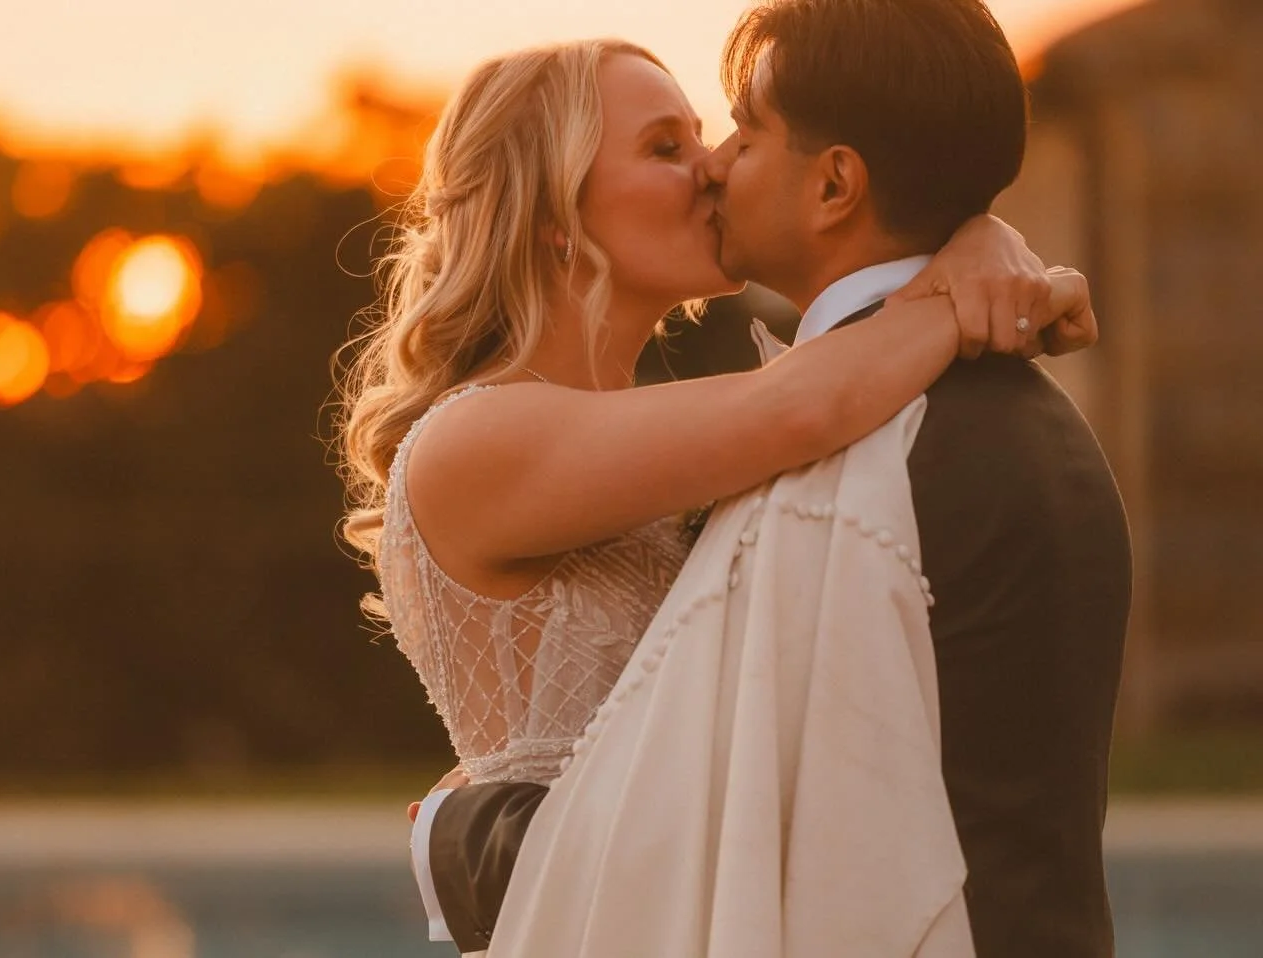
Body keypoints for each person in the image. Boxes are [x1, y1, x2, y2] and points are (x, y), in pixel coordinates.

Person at [334, 20, 1109, 958]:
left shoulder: (655, 436)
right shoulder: (479, 435)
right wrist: (974, 266)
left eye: (709, 135)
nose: (710, 167)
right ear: (553, 215)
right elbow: (799, 404)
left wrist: (978, 241)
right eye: (665, 147)